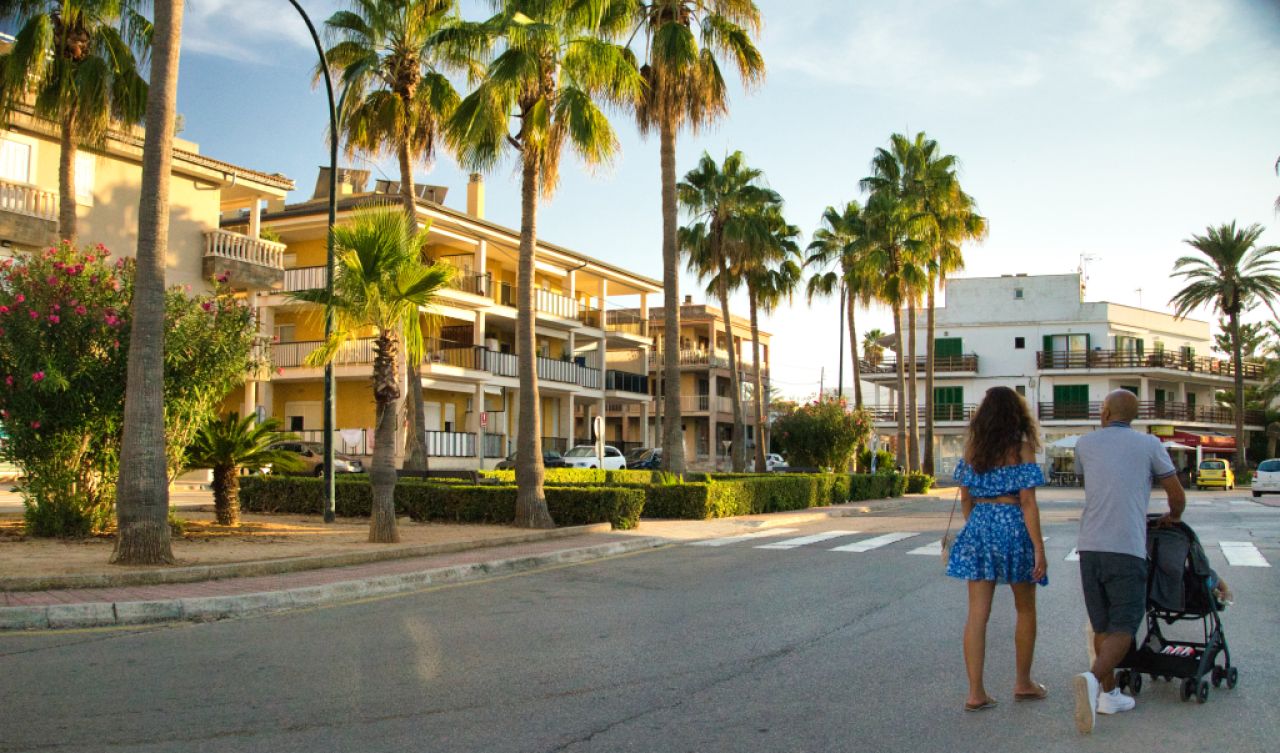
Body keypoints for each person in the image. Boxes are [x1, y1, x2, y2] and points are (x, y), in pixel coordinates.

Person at [1071, 389, 1186, 734]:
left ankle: (1109, 697)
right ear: (1134, 416)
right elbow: (1176, 494)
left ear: (1105, 413)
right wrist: (1173, 516)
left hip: (1089, 547)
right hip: (1126, 546)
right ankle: (1093, 680)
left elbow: (1091, 478)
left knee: (1102, 625)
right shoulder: (1150, 444)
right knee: (1123, 626)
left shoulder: (1084, 444)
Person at [946, 386, 1048, 712]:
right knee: (1025, 608)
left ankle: (975, 692)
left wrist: (979, 525)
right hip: (1014, 525)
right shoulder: (1022, 448)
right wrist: (1039, 548)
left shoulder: (973, 450)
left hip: (980, 522)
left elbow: (965, 498)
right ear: (1017, 415)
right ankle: (1023, 683)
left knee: (977, 614)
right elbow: (1028, 502)